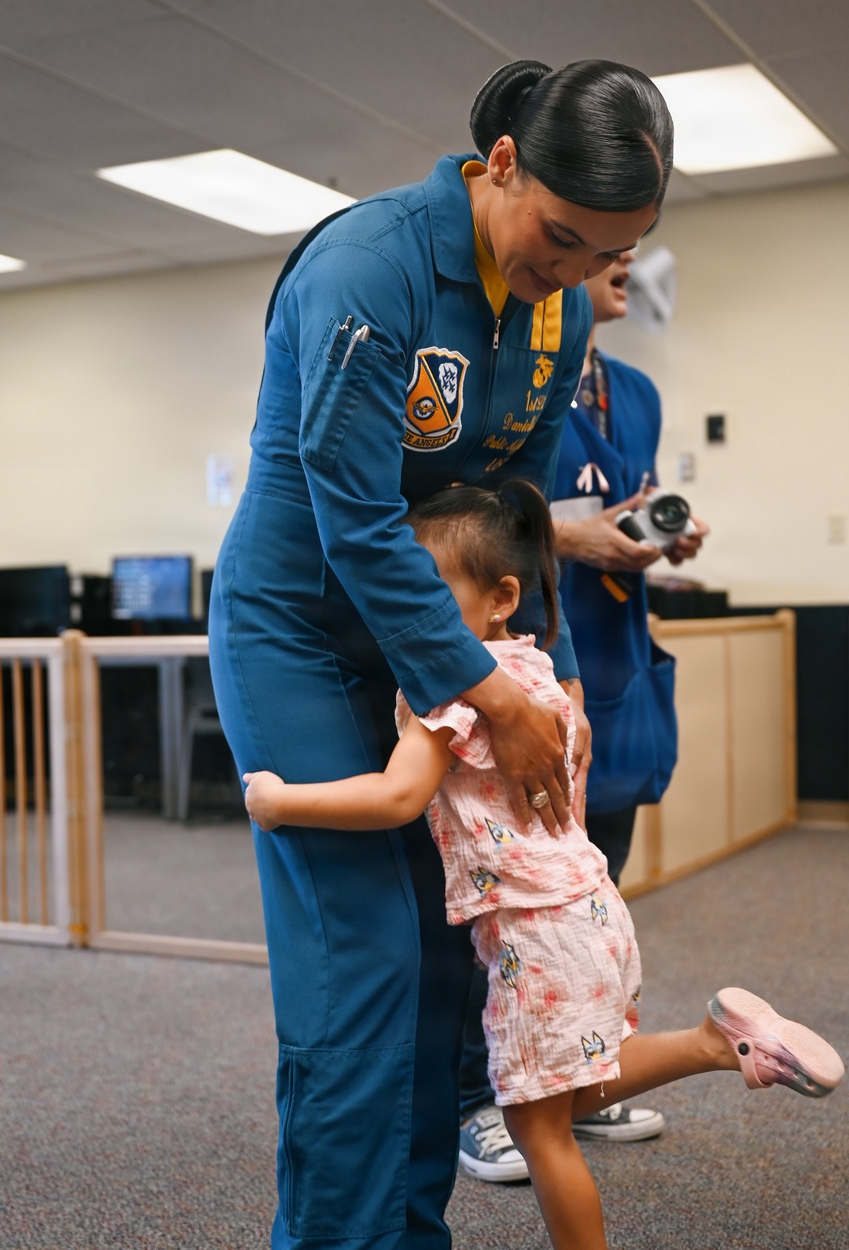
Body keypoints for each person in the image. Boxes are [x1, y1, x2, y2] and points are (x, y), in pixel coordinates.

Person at [209, 57, 673, 1249]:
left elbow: (503, 504)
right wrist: (485, 695)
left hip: (437, 642)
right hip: (305, 632)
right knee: (362, 963)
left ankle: (408, 1228)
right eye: (559, 238)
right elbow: (355, 518)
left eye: (600, 257)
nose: (569, 275)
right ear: (500, 162)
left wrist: (541, 670)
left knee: (447, 958)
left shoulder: (558, 306)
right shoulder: (370, 268)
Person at [242, 482, 845, 1250]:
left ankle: (713, 1052)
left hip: (538, 932)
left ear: (501, 597)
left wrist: (282, 801)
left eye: (431, 597)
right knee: (578, 1083)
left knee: (538, 1126)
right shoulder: (535, 674)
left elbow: (397, 796)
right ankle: (715, 1041)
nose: (408, 616)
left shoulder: (454, 691)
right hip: (593, 911)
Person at [458, 246, 711, 1181]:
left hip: (618, 655)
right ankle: (483, 1101)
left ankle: (581, 1083)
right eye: (604, 246)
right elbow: (473, 511)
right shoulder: (510, 369)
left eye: (628, 247)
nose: (627, 260)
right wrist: (569, 534)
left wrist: (659, 534)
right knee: (514, 906)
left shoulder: (634, 390)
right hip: (531, 652)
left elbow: (626, 507)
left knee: (593, 894)